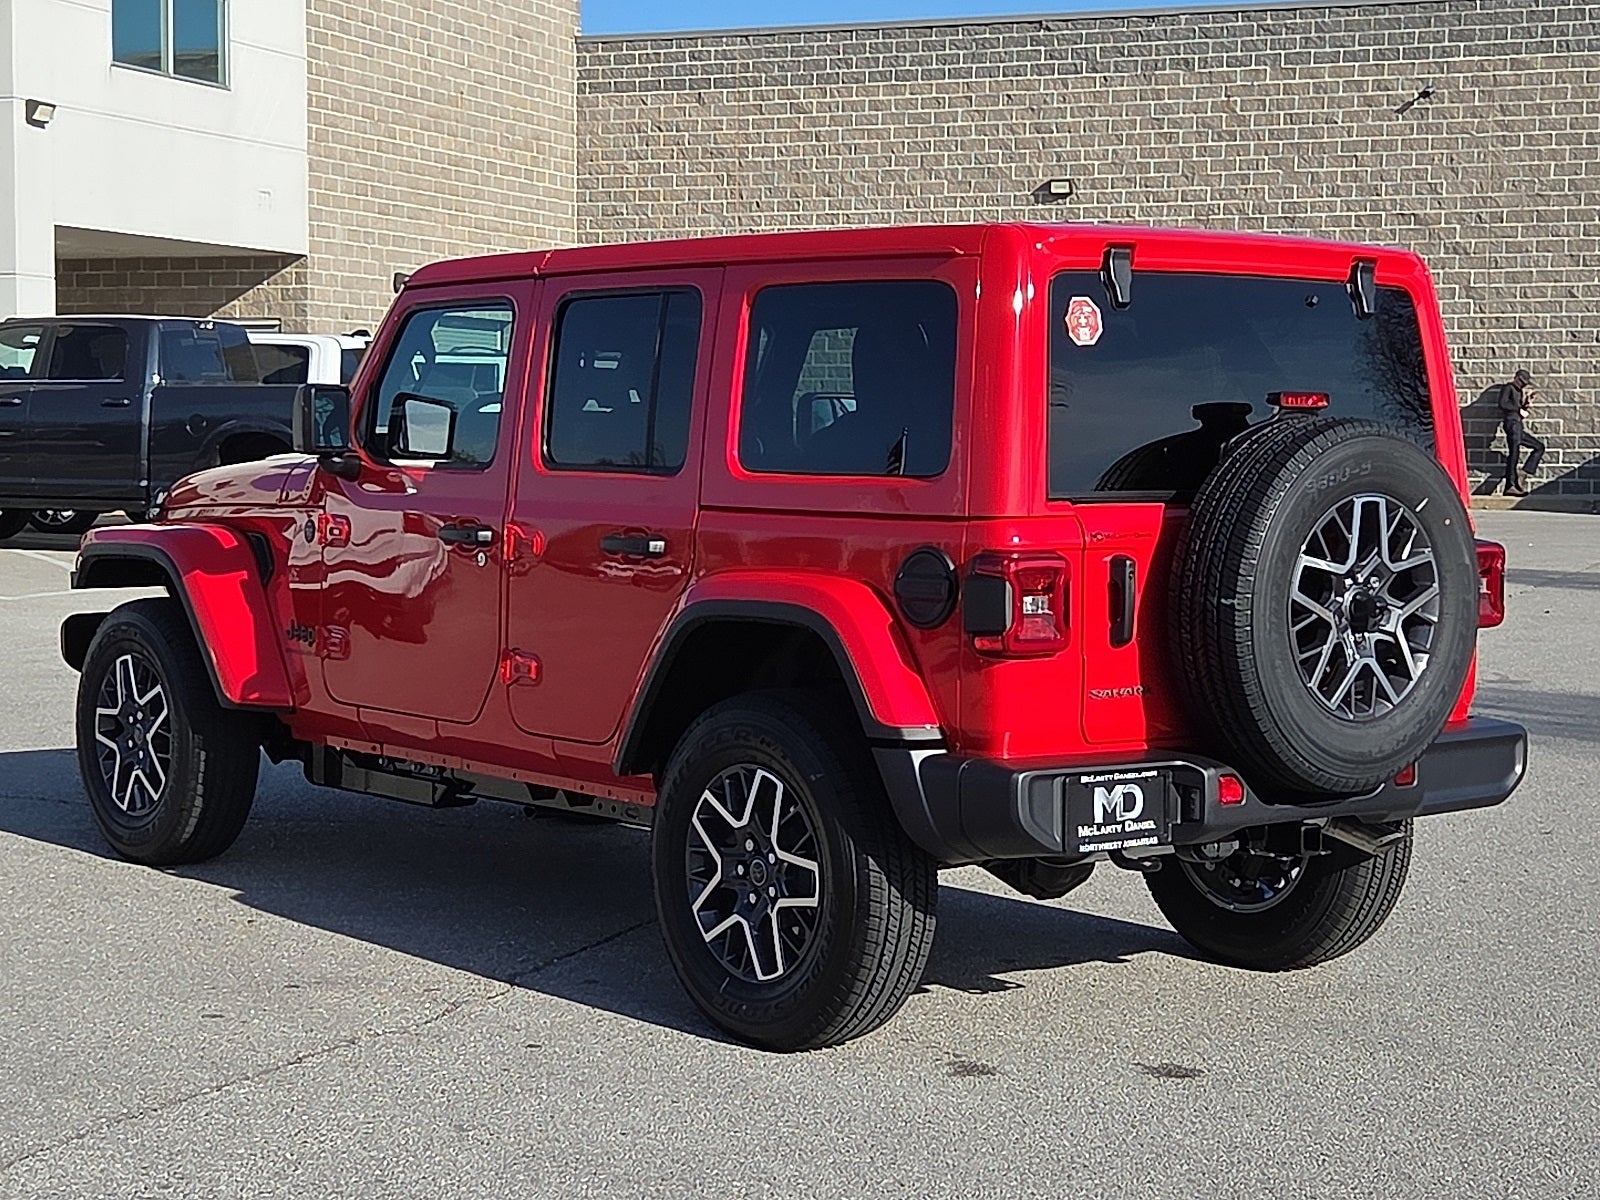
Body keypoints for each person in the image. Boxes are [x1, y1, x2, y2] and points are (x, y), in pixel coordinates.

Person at [1498, 369, 1545, 496]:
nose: (1523, 385)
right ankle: (1510, 485)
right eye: (1522, 382)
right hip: (1511, 424)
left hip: (1517, 425)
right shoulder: (1509, 388)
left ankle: (1522, 473)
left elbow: (1517, 408)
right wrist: (1519, 409)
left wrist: (1525, 404)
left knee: (1538, 447)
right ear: (1517, 378)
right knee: (1514, 454)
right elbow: (1502, 404)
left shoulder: (1519, 391)